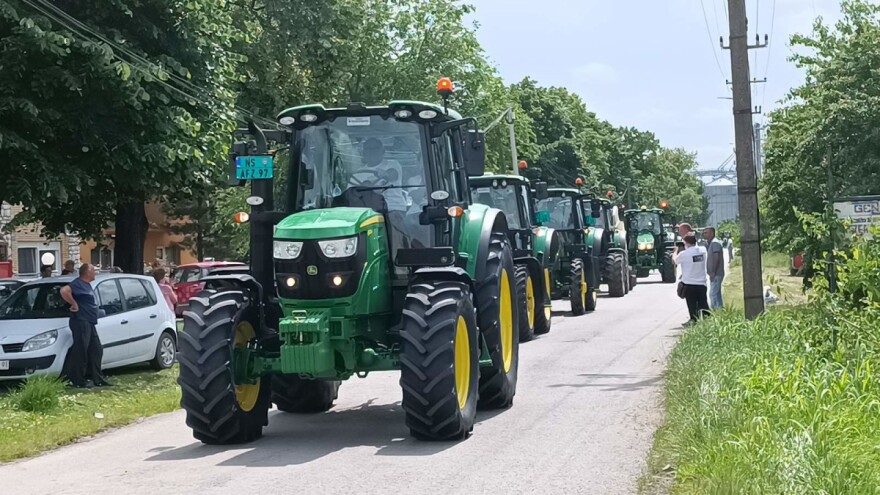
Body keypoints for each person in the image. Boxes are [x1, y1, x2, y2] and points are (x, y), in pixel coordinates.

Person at [59, 264, 110, 388]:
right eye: (93, 271)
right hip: (80, 321)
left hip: (90, 322)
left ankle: (97, 378)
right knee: (81, 350)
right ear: (87, 272)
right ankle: (78, 380)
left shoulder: (87, 285)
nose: (95, 273)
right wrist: (74, 303)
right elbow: (64, 291)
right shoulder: (77, 283)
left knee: (96, 349)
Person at [673, 233, 710, 324]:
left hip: (689, 284)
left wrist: (675, 251)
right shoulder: (703, 250)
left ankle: (693, 320)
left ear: (686, 243)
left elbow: (674, 261)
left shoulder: (683, 254)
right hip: (702, 283)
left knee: (691, 304)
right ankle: (708, 320)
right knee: (703, 303)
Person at [703, 227, 725, 309]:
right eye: (704, 233)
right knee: (716, 293)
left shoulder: (715, 243)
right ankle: (720, 310)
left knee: (713, 294)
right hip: (716, 274)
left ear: (712, 233)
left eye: (706, 233)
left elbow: (716, 257)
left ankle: (716, 311)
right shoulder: (711, 243)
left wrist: (713, 272)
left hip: (716, 274)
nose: (704, 234)